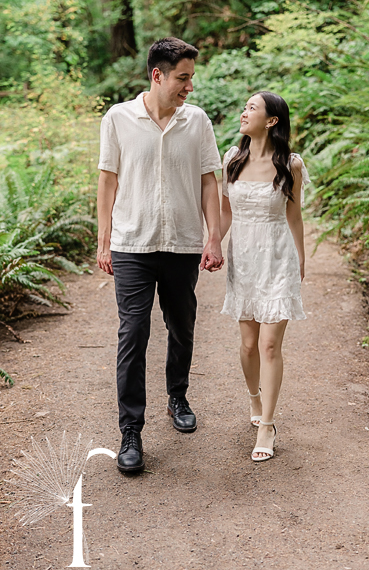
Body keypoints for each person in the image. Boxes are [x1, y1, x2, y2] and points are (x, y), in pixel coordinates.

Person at [97, 37, 224, 474]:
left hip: (183, 243)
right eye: (183, 78)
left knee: (182, 326)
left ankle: (177, 395)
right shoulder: (118, 118)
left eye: (191, 77)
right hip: (132, 243)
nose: (190, 86)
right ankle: (131, 431)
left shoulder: (198, 121)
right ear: (158, 75)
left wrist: (214, 237)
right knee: (132, 333)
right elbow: (108, 181)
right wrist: (103, 238)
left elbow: (210, 181)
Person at [219, 91, 309, 462]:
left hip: (277, 258)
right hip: (243, 258)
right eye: (245, 107)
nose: (244, 112)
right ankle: (254, 398)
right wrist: (209, 245)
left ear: (271, 120)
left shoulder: (291, 164)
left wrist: (300, 259)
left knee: (271, 345)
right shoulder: (232, 160)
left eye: (252, 108)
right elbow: (225, 214)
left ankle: (268, 425)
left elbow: (294, 215)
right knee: (248, 344)